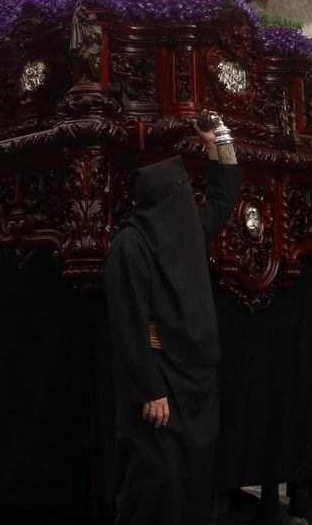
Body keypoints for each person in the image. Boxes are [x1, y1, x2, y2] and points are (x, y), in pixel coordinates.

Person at [103, 112, 238, 525]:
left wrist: (217, 141)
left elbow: (223, 197)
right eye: (180, 189)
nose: (187, 195)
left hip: (197, 377)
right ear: (163, 196)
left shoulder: (190, 230)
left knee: (194, 477)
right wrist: (150, 390)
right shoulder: (131, 245)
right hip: (159, 381)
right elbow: (127, 327)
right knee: (154, 480)